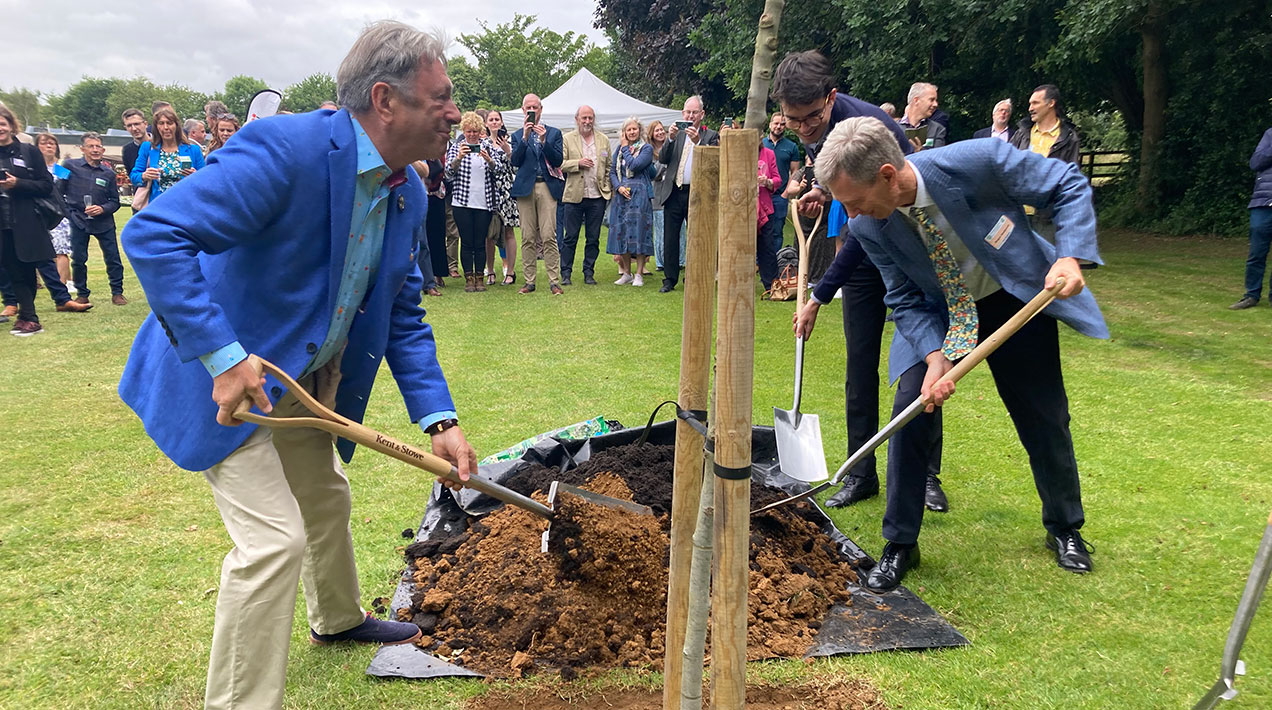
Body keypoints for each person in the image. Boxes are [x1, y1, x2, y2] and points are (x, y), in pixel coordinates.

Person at [118, 21, 475, 710]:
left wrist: (440, 419)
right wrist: (224, 358)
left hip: (303, 382)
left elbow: (402, 314)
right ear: (385, 100)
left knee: (326, 496)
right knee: (274, 543)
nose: (454, 113)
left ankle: (337, 618)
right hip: (226, 383)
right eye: (441, 98)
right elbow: (156, 234)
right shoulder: (287, 150)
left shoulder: (407, 190)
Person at [806, 116, 1106, 592]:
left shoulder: (978, 162)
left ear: (887, 175)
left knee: (1043, 415)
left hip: (1012, 296)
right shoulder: (870, 227)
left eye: (855, 200)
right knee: (909, 411)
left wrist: (1069, 255)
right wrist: (933, 357)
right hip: (938, 310)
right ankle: (900, 543)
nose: (852, 213)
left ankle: (1064, 526)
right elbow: (903, 294)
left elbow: (1066, 183)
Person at [771, 49, 947, 512]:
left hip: (906, 245)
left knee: (923, 364)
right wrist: (821, 190)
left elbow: (881, 213)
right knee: (859, 362)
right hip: (863, 238)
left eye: (811, 118)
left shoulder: (868, 128)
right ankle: (861, 471)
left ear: (831, 98)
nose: (803, 128)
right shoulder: (812, 128)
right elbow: (854, 217)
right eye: (793, 120)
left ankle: (926, 475)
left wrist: (819, 295)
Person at [0, 105, 59, 335]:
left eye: (2, 124)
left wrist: (18, 184)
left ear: (11, 125)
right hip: (2, 222)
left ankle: (28, 316)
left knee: (26, 266)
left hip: (26, 219)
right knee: (11, 268)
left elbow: (46, 186)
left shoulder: (28, 152)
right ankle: (28, 316)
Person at [658, 95, 720, 292]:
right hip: (674, 192)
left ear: (702, 114)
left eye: (694, 112)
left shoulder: (710, 135)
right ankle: (669, 279)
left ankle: (693, 276)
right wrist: (670, 138)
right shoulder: (677, 134)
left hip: (697, 194)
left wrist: (698, 142)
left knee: (696, 237)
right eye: (687, 112)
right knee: (670, 238)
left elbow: (713, 164)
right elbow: (663, 158)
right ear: (682, 113)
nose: (690, 116)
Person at [59, 132, 127, 307]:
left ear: (103, 150)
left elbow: (115, 201)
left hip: (104, 222)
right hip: (78, 220)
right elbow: (57, 192)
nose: (95, 150)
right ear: (82, 149)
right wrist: (69, 213)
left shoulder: (109, 173)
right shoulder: (67, 165)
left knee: (113, 258)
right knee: (78, 259)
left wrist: (103, 209)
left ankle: (117, 293)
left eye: (98, 146)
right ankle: (82, 294)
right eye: (91, 146)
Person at [445, 111, 508, 292]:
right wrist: (459, 158)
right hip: (462, 202)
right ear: (464, 131)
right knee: (466, 242)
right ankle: (469, 279)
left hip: (484, 202)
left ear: (480, 131)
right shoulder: (457, 148)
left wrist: (489, 160)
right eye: (468, 131)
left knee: (480, 242)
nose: (472, 134)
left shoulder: (487, 146)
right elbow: (448, 173)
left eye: (475, 131)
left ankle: (480, 277)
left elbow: (500, 170)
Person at [1010, 84, 1081, 243]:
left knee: (1046, 258)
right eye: (1030, 103)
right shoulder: (1022, 133)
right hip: (1017, 212)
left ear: (1051, 103)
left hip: (1047, 216)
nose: (1030, 108)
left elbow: (1071, 178)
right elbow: (1005, 165)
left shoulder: (1069, 138)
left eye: (1035, 103)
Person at [510, 93, 565, 295]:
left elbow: (558, 160)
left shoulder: (554, 133)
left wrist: (544, 141)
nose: (532, 111)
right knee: (527, 237)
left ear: (541, 109)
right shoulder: (517, 135)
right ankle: (529, 281)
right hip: (525, 189)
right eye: (528, 108)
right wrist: (525, 138)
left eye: (535, 107)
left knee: (549, 235)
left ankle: (554, 281)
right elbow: (515, 161)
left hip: (546, 187)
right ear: (523, 110)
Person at [561, 105, 612, 286]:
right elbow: (560, 164)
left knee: (593, 238)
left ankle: (589, 272)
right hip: (574, 196)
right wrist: (578, 163)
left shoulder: (604, 140)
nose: (587, 121)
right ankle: (566, 273)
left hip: (597, 196)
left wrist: (607, 186)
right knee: (570, 237)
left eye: (590, 118)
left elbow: (608, 166)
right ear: (577, 119)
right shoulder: (567, 138)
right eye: (584, 118)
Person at [607, 117, 655, 285]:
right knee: (623, 232)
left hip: (640, 194)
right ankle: (626, 273)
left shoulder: (646, 148)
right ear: (624, 132)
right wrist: (618, 187)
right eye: (629, 130)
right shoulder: (620, 149)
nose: (632, 132)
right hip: (622, 195)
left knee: (640, 231)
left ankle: (639, 273)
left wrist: (625, 148)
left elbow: (634, 165)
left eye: (634, 129)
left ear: (639, 130)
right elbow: (612, 171)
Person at [1230, 127, 1272, 310]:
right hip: (1263, 202)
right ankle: (1251, 295)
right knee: (1256, 253)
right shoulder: (1270, 134)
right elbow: (1255, 163)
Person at [131, 107, 206, 202]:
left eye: (169, 123)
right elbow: (134, 176)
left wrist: (195, 176)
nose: (166, 127)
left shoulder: (194, 150)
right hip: (157, 203)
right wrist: (144, 176)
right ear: (156, 127)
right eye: (161, 123)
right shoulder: (147, 147)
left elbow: (205, 181)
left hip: (185, 204)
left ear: (176, 126)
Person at [483, 110, 518, 285]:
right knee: (489, 233)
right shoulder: (482, 144)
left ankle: (510, 272)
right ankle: (490, 271)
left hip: (506, 191)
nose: (494, 122)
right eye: (491, 119)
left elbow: (516, 168)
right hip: (489, 191)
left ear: (502, 122)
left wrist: (508, 152)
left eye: (497, 119)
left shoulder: (510, 142)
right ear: (486, 123)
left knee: (509, 231)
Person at [36, 132, 74, 290]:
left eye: (52, 143)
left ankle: (62, 286)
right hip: (38, 213)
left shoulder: (61, 169)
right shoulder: (34, 169)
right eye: (44, 143)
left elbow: (70, 190)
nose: (48, 146)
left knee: (60, 250)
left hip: (58, 214)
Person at [763, 112, 800, 252]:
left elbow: (795, 172)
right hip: (762, 195)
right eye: (776, 123)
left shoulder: (791, 147)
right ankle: (758, 261)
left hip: (780, 196)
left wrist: (786, 194)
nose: (778, 127)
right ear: (770, 125)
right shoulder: (761, 144)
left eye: (782, 124)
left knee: (777, 232)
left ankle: (775, 259)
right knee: (759, 230)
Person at [757, 139, 783, 292]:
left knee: (767, 247)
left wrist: (767, 181)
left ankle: (771, 285)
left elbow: (777, 179)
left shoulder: (768, 153)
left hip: (765, 207)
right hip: (742, 208)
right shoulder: (739, 151)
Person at [898, 82, 947, 150]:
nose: (935, 104)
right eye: (931, 100)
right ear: (916, 100)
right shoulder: (893, 128)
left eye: (936, 100)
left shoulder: (937, 129)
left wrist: (921, 152)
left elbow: (938, 155)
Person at [121, 108, 148, 179]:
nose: (134, 128)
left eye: (137, 124)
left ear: (145, 124)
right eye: (129, 125)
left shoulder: (160, 143)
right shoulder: (127, 150)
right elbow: (131, 176)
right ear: (125, 128)